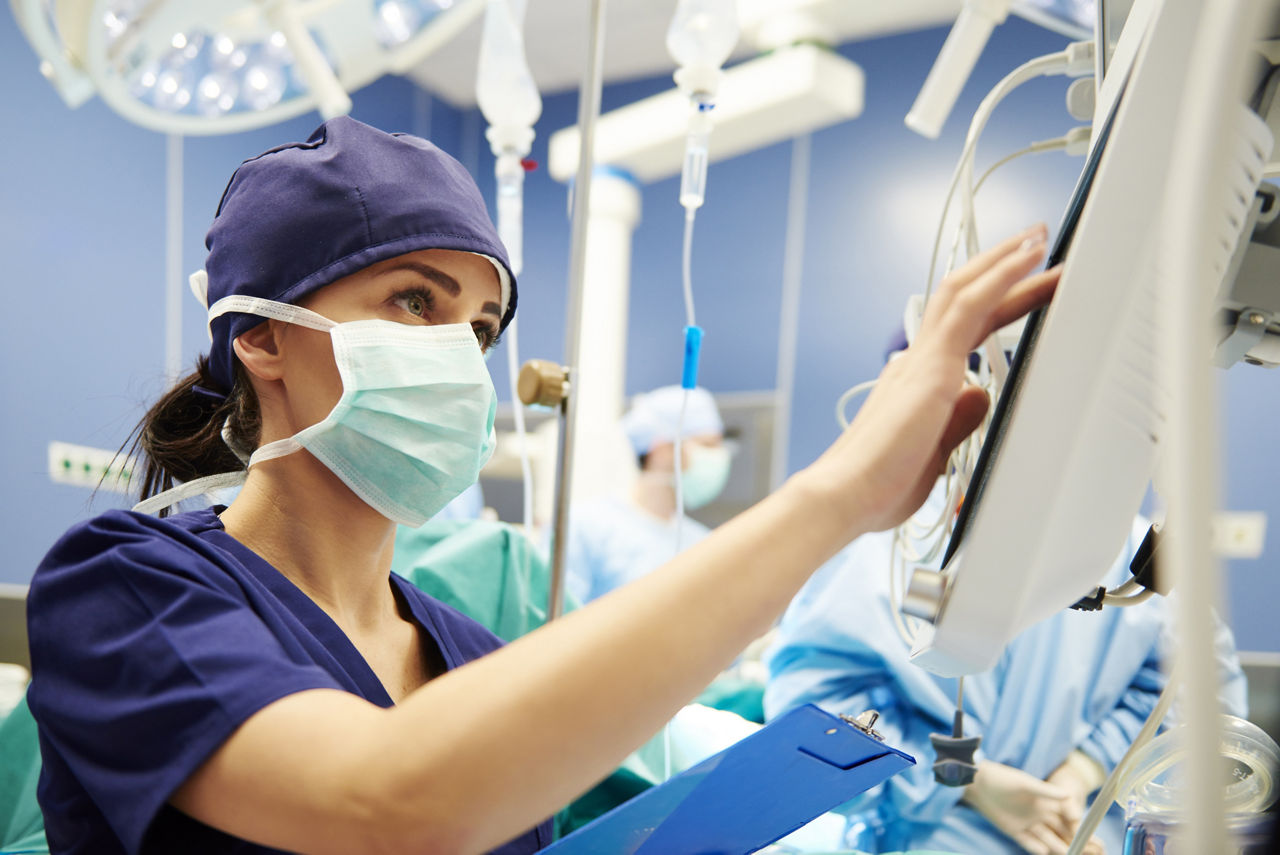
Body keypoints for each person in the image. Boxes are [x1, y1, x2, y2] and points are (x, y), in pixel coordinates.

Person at [24, 114, 1061, 855]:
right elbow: (388, 808)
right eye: (413, 300)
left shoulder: (467, 653)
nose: (457, 351)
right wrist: (834, 499)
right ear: (259, 336)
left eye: (477, 326)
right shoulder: (128, 590)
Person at [764, 483, 1249, 855]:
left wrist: (1081, 772)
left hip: (1078, 831)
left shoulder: (1126, 557)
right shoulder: (895, 544)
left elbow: (1188, 690)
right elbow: (819, 719)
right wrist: (968, 781)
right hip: (936, 837)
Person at [566, 385, 729, 604]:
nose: (718, 456)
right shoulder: (585, 526)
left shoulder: (703, 543)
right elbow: (556, 624)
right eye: (707, 445)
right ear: (661, 450)